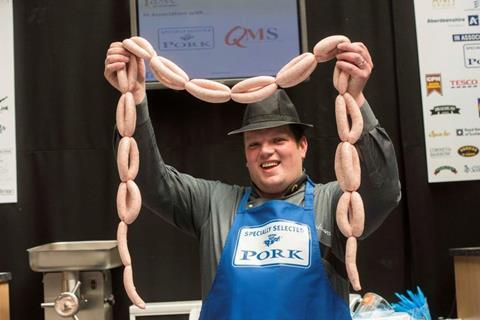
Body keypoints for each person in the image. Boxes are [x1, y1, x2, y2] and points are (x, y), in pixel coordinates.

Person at [105, 41, 401, 319]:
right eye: (254, 144)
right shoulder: (213, 204)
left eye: (278, 139)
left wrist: (357, 99)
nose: (266, 151)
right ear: (245, 156)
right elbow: (149, 180)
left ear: (303, 146)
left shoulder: (334, 202)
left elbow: (384, 190)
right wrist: (135, 98)